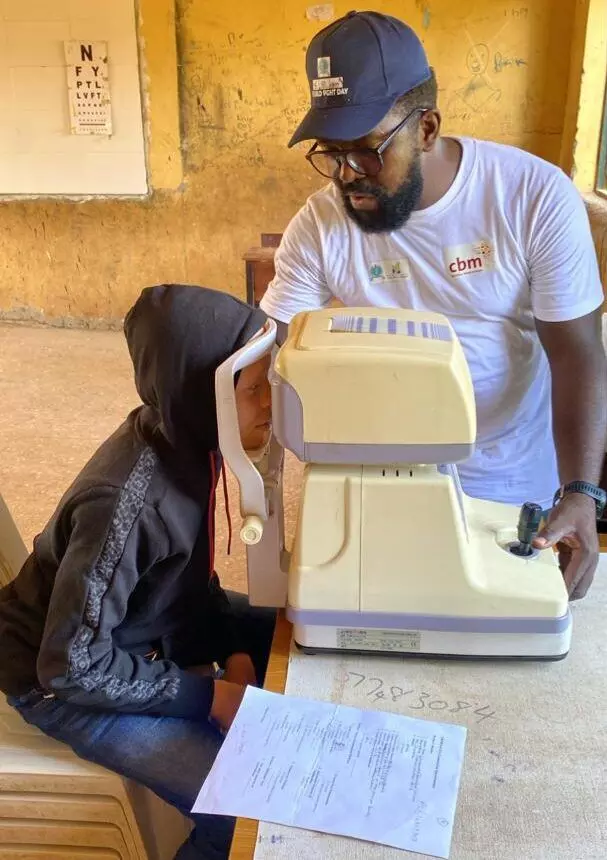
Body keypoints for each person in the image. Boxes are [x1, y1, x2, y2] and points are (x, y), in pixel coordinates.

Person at [260, 10, 607, 600]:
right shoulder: (319, 224)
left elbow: (576, 352)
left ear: (425, 129)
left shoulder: (532, 197)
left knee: (500, 643)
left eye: (368, 151)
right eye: (331, 153)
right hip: (380, 477)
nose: (347, 175)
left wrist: (580, 492)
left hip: (508, 485)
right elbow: (270, 345)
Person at [0, 284, 276, 860]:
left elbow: (190, 582)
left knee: (293, 636)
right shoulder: (126, 504)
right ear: (207, 397)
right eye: (254, 391)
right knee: (243, 810)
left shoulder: (192, 442)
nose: (270, 405)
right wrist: (210, 698)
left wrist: (237, 654)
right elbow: (70, 666)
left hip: (141, 632)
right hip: (59, 682)